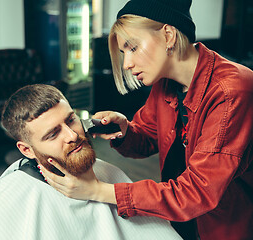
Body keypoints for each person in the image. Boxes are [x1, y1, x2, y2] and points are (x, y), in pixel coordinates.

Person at [39, 1, 253, 240]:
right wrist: (125, 130)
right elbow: (147, 138)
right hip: (180, 221)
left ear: (168, 35)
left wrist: (99, 191)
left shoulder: (231, 91)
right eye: (124, 53)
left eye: (133, 48)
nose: (127, 64)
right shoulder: (165, 83)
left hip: (223, 227)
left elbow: (198, 192)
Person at [0, 84, 182, 240]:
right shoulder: (11, 203)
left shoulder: (107, 172)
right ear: (26, 150)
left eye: (71, 120)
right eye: (52, 134)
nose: (72, 135)